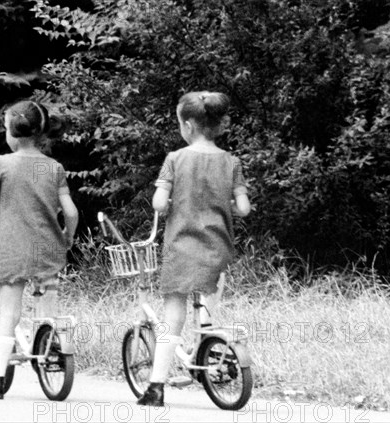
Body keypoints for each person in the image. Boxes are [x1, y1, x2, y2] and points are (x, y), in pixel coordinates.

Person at [0, 100, 78, 400]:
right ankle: (50, 344)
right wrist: (68, 236)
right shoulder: (53, 167)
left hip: (14, 247)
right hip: (48, 247)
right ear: (40, 132)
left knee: (9, 312)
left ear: (12, 133)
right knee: (48, 303)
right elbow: (71, 212)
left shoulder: (3, 164)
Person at [137, 91, 251, 407]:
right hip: (217, 249)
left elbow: (159, 203)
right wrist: (223, 201)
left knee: (173, 316)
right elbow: (243, 208)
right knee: (208, 310)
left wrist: (173, 201)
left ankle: (156, 388)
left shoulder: (175, 159)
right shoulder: (231, 162)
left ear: (187, 125)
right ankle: (211, 353)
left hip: (180, 248)